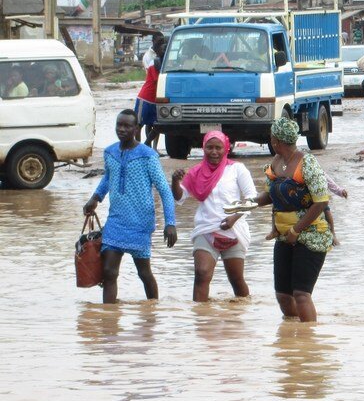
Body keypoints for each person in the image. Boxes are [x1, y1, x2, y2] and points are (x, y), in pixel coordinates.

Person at [83, 109, 177, 304]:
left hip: (140, 224)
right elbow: (108, 177)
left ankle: (152, 311)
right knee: (109, 272)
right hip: (116, 221)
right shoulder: (110, 152)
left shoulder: (148, 156)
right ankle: (109, 317)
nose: (122, 129)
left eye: (127, 126)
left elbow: (164, 190)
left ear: (136, 129)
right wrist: (95, 198)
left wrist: (170, 223)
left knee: (144, 272)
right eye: (119, 125)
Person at [255, 117, 332, 321]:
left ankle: (309, 336)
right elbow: (269, 196)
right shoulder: (276, 162)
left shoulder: (307, 163)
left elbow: (321, 202)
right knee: (283, 295)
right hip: (284, 235)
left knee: (301, 294)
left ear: (276, 141)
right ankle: (292, 334)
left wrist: (296, 230)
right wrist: (246, 204)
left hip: (311, 234)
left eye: (272, 137)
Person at [170, 131, 257, 302]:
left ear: (226, 148)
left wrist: (234, 218)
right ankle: (200, 315)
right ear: (203, 148)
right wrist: (174, 181)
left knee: (236, 280)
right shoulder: (195, 172)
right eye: (209, 147)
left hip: (234, 230)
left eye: (218, 147)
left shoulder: (237, 169)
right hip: (206, 229)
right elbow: (179, 198)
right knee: (201, 274)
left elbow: (252, 198)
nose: (214, 152)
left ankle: (243, 314)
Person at [136, 36, 166, 151]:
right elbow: (158, 80)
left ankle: (149, 146)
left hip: (157, 99)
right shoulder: (154, 63)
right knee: (139, 125)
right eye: (162, 48)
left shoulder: (166, 63)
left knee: (158, 125)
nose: (164, 50)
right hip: (146, 98)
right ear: (157, 50)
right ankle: (138, 149)